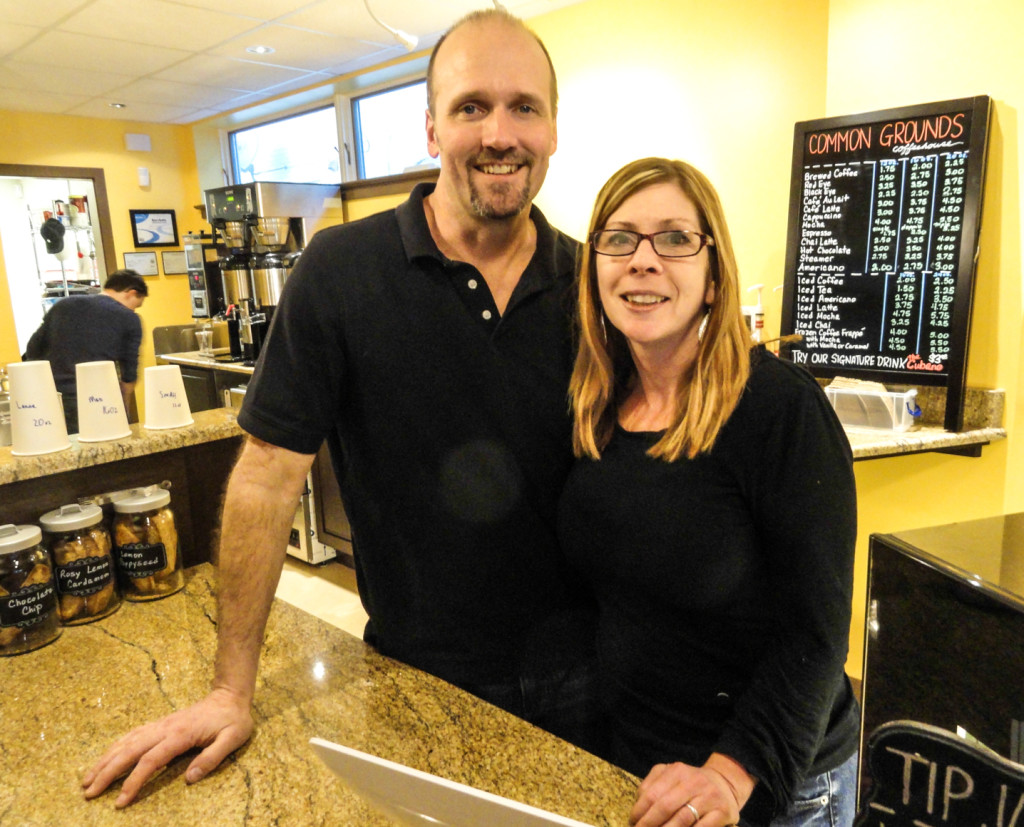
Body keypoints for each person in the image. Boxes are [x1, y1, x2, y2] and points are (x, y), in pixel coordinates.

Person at [82, 9, 600, 808]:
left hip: (589, 678)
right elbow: (266, 474)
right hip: (415, 674)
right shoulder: (342, 269)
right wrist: (231, 688)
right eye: (471, 107)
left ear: (554, 128)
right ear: (432, 129)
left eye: (524, 107)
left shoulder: (595, 285)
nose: (500, 132)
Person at [556, 158, 860, 827]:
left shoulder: (780, 408)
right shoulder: (597, 407)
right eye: (620, 237)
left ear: (714, 274)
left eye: (673, 238)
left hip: (764, 780)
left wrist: (728, 773)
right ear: (594, 268)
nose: (643, 260)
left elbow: (815, 633)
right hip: (643, 765)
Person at [24, 269, 147, 432]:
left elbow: (32, 348)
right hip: (99, 399)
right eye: (136, 306)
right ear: (131, 293)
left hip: (55, 397)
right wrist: (124, 411)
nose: (134, 310)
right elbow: (129, 375)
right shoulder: (129, 318)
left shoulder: (63, 305)